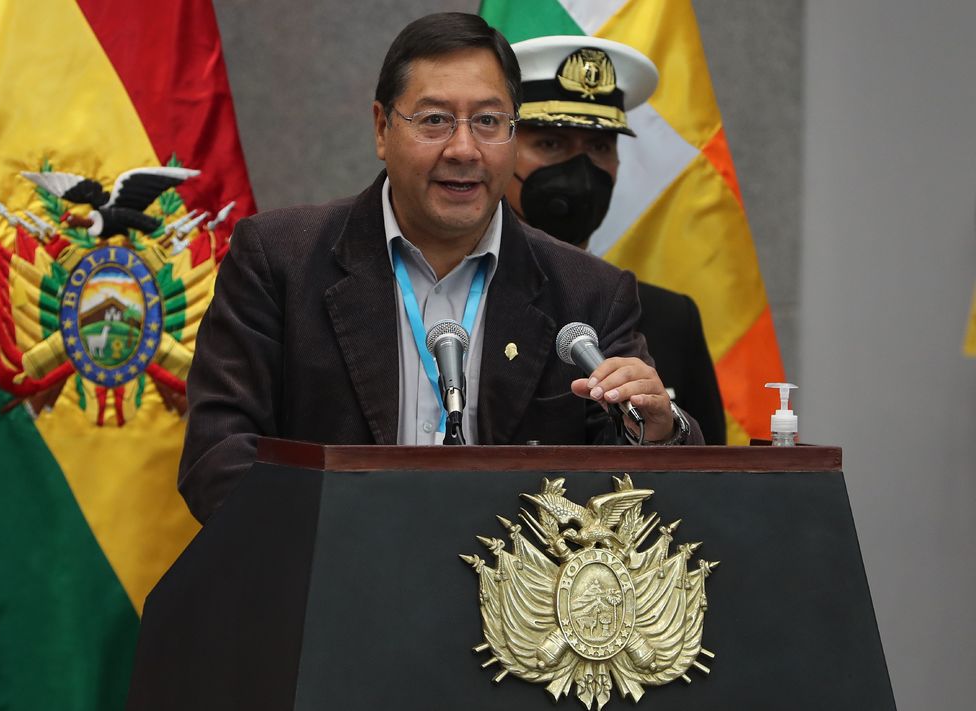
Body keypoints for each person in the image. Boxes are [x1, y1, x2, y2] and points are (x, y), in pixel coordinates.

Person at [178, 13, 703, 524]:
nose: (463, 149)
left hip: (519, 583)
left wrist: (659, 433)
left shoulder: (589, 292)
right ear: (382, 128)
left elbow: (648, 494)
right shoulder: (281, 260)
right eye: (434, 120)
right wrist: (353, 552)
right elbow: (217, 458)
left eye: (488, 122)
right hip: (334, 574)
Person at [505, 36, 727, 445]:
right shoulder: (473, 301)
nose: (581, 169)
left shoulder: (669, 318)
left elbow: (710, 469)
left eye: (599, 146)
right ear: (502, 151)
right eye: (551, 143)